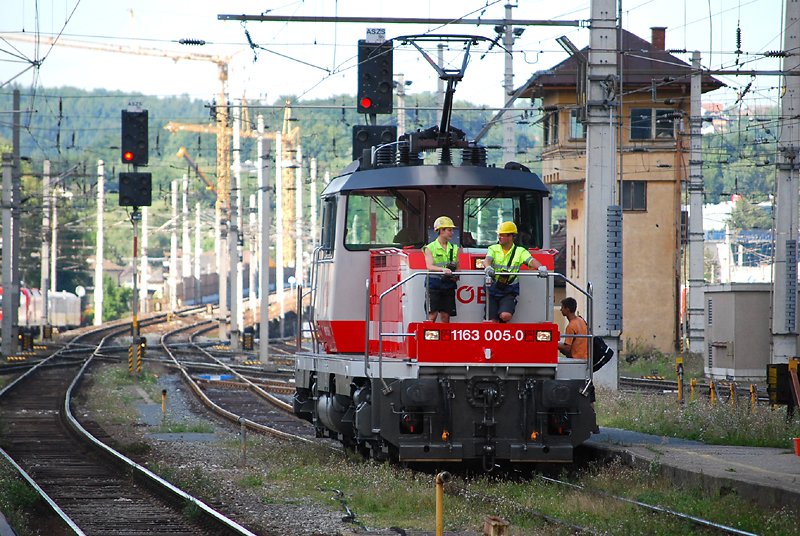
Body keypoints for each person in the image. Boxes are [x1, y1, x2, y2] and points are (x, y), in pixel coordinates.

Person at [483, 221, 546, 323]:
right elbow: (487, 259)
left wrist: (540, 268)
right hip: (493, 287)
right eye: (499, 235)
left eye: (502, 235)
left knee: (505, 315)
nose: (499, 237)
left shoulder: (520, 251)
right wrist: (488, 267)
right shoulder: (493, 248)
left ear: (511, 236)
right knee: (491, 321)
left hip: (509, 289)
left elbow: (531, 260)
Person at [423, 216, 460, 322]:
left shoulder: (455, 248)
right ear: (441, 230)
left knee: (445, 316)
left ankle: (444, 334)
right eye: (449, 230)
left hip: (448, 284)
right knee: (432, 315)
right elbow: (429, 266)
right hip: (434, 284)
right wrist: (442, 270)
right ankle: (429, 333)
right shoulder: (430, 248)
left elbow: (458, 266)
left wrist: (456, 275)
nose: (452, 233)